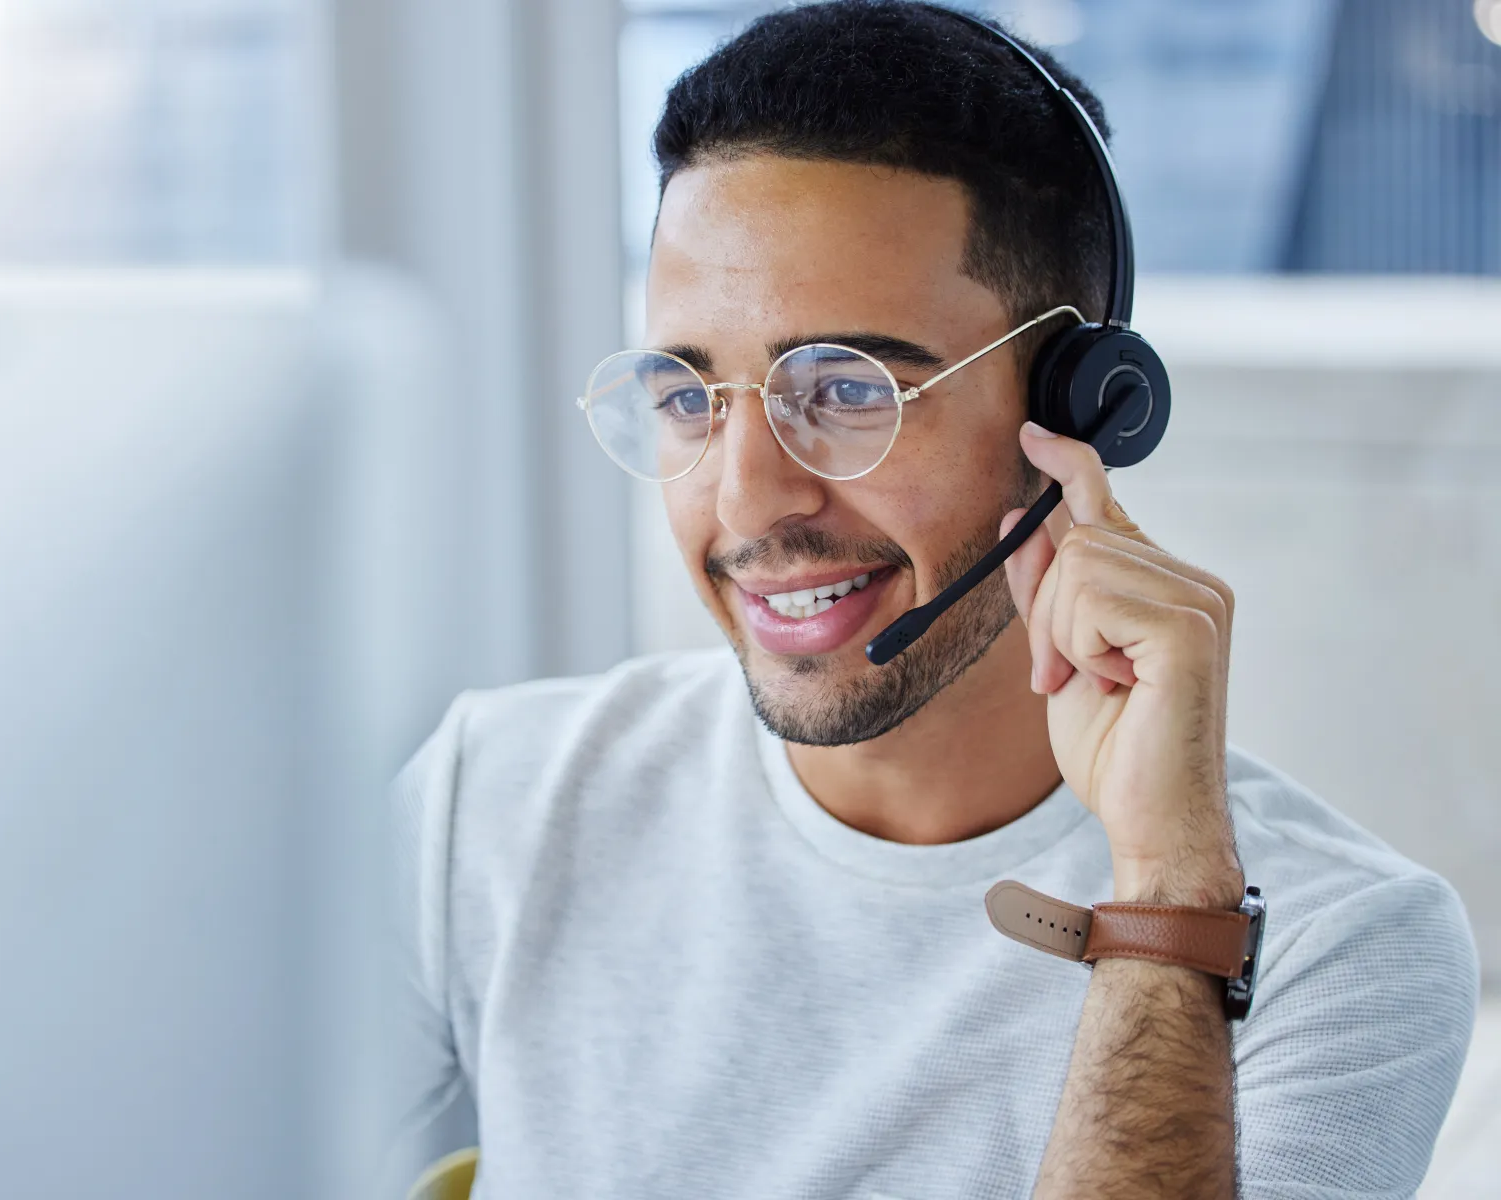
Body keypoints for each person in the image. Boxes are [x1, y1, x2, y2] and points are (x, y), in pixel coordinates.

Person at [387, 4, 1478, 1196]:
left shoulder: (1345, 946)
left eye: (847, 390)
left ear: (1080, 410)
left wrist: (1168, 902)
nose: (747, 502)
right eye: (689, 397)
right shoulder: (492, 802)